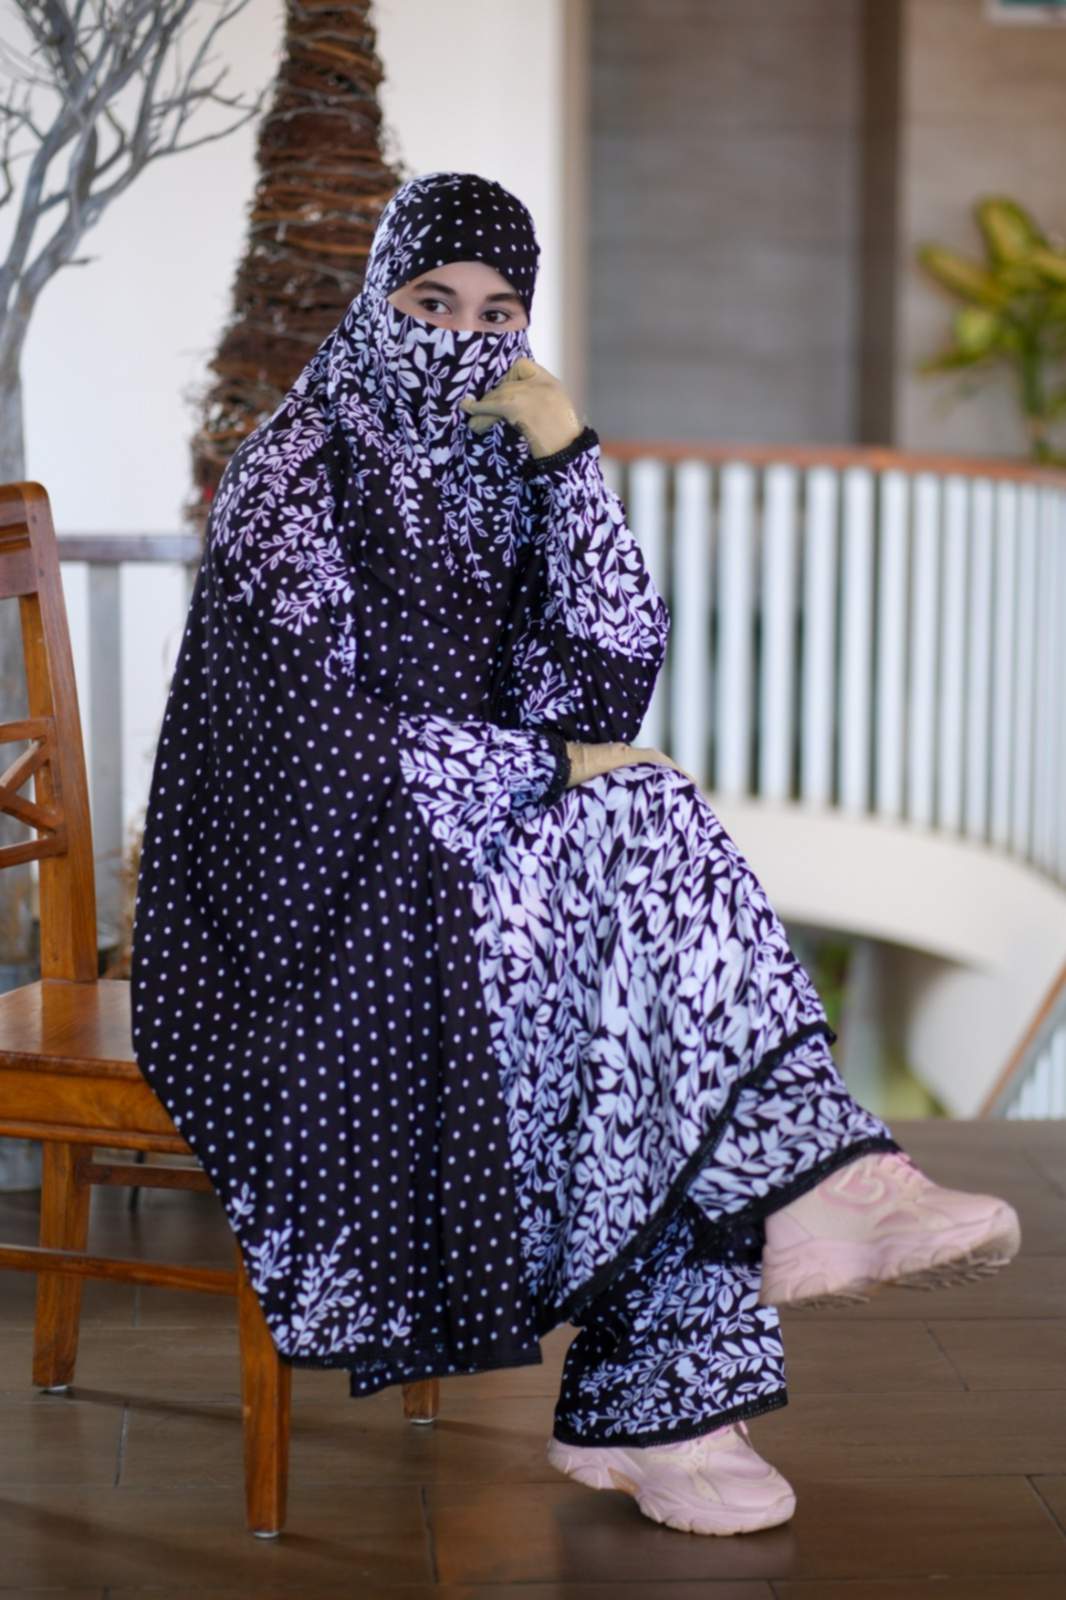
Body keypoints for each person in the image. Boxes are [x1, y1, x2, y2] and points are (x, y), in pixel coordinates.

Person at [130, 171, 1022, 1539]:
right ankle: (714, 1332)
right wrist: (551, 771)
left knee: (642, 888)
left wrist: (563, 450)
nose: (463, 335)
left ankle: (740, 1303)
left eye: (499, 314)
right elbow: (315, 752)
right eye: (432, 301)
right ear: (376, 296)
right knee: (638, 856)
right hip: (300, 903)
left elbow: (605, 681)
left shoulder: (502, 463)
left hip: (466, 862)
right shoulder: (292, 474)